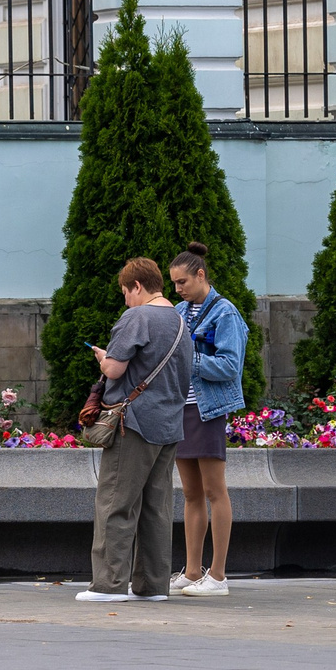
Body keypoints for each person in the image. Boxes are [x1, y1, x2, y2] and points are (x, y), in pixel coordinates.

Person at [77, 257, 192, 604]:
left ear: (137, 287)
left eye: (126, 292)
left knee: (116, 502)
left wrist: (101, 357)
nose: (125, 300)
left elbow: (114, 368)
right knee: (156, 508)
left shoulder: (138, 316)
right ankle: (153, 586)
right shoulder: (180, 320)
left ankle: (109, 585)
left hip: (135, 425)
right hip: (169, 424)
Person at [169, 242, 249, 597]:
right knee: (190, 494)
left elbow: (231, 366)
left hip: (208, 410)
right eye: (174, 283)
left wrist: (192, 362)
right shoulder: (178, 310)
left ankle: (217, 576)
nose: (178, 289)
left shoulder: (225, 313)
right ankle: (191, 571)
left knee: (215, 492)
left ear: (201, 275)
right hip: (180, 409)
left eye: (183, 282)